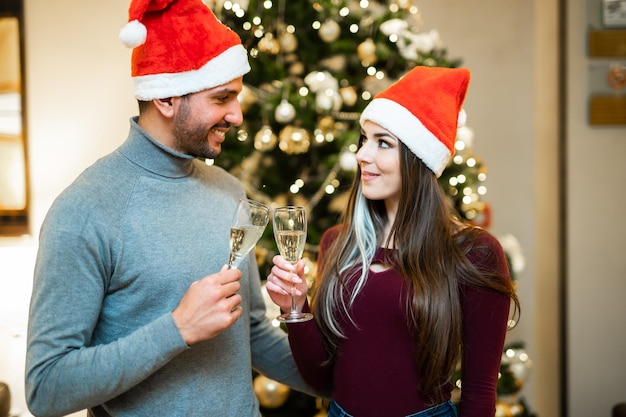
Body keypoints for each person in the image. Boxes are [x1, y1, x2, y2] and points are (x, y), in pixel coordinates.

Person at [25, 0, 320, 416]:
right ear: (165, 98)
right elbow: (46, 387)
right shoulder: (86, 209)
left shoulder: (228, 191)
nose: (236, 115)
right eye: (222, 98)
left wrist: (352, 380)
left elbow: (251, 333)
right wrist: (177, 329)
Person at [266, 65, 521, 417]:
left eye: (383, 143)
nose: (362, 155)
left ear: (419, 159)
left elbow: (479, 394)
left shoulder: (473, 253)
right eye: (364, 140)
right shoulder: (338, 243)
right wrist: (294, 307)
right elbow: (321, 377)